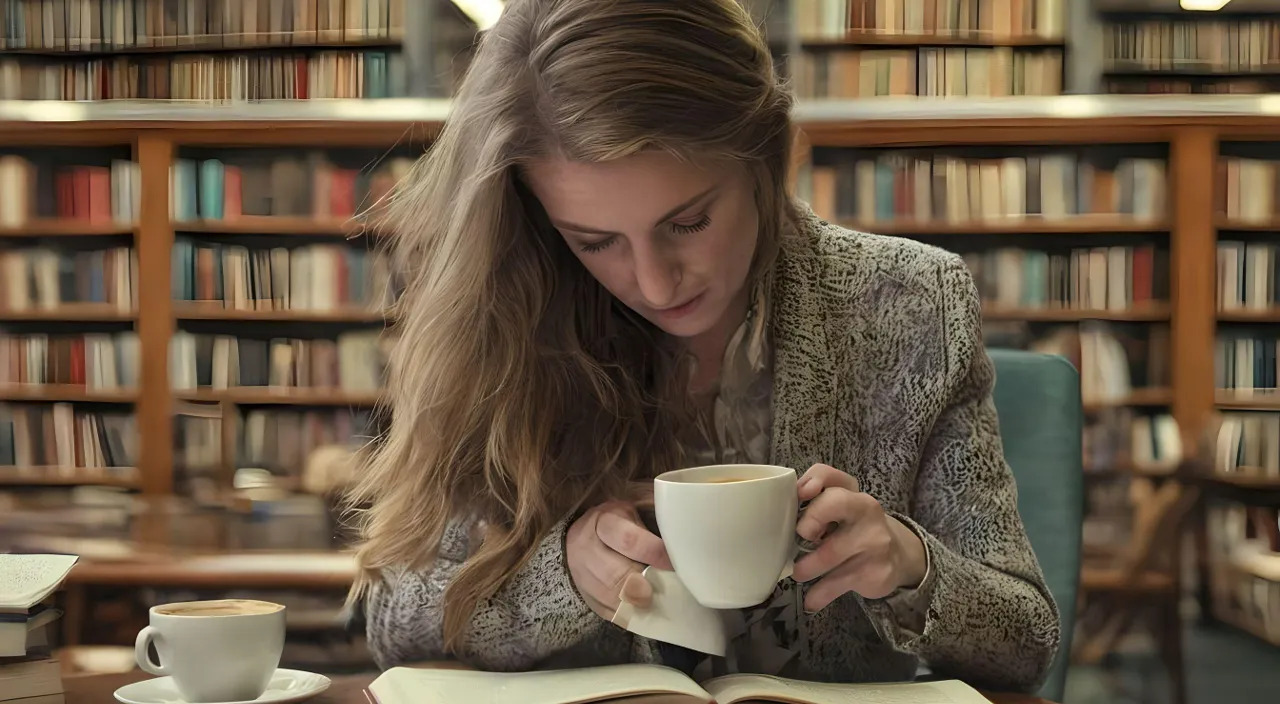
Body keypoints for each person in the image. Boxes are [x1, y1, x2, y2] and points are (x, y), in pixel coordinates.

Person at [346, 0, 1059, 693]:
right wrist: (558, 578)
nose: (654, 284)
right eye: (595, 242)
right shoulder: (504, 321)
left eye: (687, 223)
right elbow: (394, 621)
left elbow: (1026, 641)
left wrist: (910, 566)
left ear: (766, 159)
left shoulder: (913, 304)